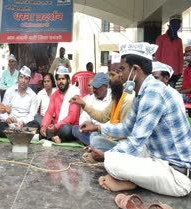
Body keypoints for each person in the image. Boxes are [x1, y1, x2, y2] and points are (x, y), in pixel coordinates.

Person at [80, 42, 191, 197]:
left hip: (176, 174)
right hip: (154, 158)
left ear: (136, 70)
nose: (119, 75)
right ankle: (132, 179)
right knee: (98, 142)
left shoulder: (153, 93)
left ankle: (130, 181)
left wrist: (106, 156)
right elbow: (126, 128)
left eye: (122, 69)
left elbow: (135, 142)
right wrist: (96, 128)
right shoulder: (142, 92)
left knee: (113, 162)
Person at [40, 66, 80, 144]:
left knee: (66, 129)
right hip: (56, 126)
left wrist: (57, 126)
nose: (61, 81)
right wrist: (44, 126)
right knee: (43, 126)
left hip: (70, 126)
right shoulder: (54, 95)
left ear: (68, 80)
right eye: (58, 79)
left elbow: (72, 117)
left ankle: (52, 137)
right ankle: (55, 137)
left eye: (63, 79)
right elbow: (49, 112)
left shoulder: (74, 93)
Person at [0, 66, 40, 137]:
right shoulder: (9, 91)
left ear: (29, 81)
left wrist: (22, 122)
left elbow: (31, 115)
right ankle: (22, 134)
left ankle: (13, 134)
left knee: (35, 125)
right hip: (11, 123)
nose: (23, 80)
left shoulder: (33, 95)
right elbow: (3, 110)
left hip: (25, 124)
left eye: (26, 78)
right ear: (18, 78)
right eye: (21, 77)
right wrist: (7, 118)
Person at [71, 73, 112, 146]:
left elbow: (109, 120)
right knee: (75, 129)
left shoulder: (113, 97)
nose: (94, 90)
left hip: (107, 132)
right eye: (94, 87)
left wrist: (96, 128)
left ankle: (96, 144)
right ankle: (96, 144)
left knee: (97, 136)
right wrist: (85, 125)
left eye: (97, 87)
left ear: (106, 86)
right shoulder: (90, 98)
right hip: (92, 131)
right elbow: (84, 117)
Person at [155, 14, 184, 88]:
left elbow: (180, 57)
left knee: (170, 93)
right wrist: (158, 70)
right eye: (174, 23)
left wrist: (180, 72)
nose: (176, 25)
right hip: (163, 72)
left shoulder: (179, 40)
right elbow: (157, 56)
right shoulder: (161, 38)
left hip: (174, 73)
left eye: (178, 23)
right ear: (170, 24)